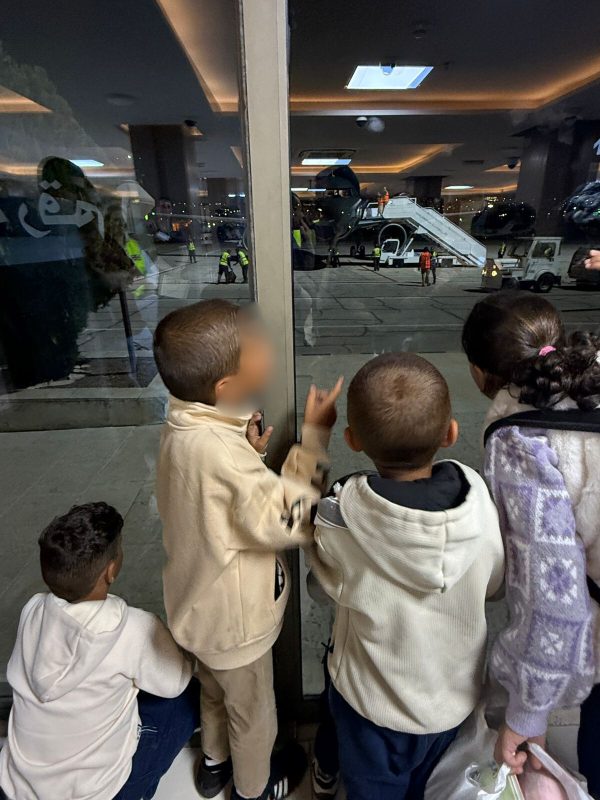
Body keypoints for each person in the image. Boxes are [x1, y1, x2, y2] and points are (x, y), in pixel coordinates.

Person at [153, 300, 343, 800]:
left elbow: (213, 489)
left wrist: (251, 452)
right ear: (226, 387)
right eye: (257, 349)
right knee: (253, 713)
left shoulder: (184, 426)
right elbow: (289, 521)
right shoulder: (218, 453)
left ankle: (214, 764)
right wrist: (315, 438)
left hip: (197, 608)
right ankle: (253, 788)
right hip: (234, 623)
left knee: (214, 694)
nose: (270, 350)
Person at [309, 353, 504, 800]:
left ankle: (326, 772)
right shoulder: (479, 506)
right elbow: (496, 585)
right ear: (451, 433)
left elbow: (323, 581)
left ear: (352, 441)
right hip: (453, 702)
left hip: (370, 706)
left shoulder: (343, 518)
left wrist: (312, 441)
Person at [462, 292, 600, 797]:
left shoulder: (519, 439)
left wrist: (525, 714)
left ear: (480, 372)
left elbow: (553, 596)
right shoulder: (593, 371)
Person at [0, 502, 197, 800]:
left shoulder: (33, 611)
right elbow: (177, 681)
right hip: (99, 793)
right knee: (187, 696)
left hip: (19, 787)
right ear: (111, 570)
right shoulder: (134, 629)